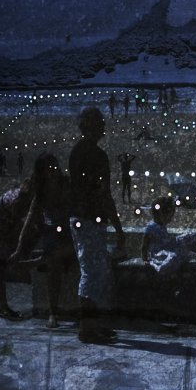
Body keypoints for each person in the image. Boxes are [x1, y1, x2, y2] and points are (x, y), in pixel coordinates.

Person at [68, 106, 126, 344]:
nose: (104, 126)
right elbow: (104, 194)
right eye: (100, 122)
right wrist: (118, 226)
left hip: (79, 218)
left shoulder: (76, 152)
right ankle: (87, 329)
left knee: (92, 272)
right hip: (90, 220)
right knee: (92, 275)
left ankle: (92, 325)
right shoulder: (98, 156)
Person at [10, 153, 76, 329]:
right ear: (43, 172)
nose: (54, 171)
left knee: (64, 250)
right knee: (54, 266)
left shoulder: (67, 185)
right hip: (53, 234)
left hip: (71, 232)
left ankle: (37, 261)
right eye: (50, 168)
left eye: (55, 166)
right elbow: (29, 222)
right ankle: (53, 313)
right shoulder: (41, 194)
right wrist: (19, 249)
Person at [0, 176, 35, 319]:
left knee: (1, 268)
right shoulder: (17, 201)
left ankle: (3, 305)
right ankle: (3, 306)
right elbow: (15, 225)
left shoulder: (20, 197)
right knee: (1, 267)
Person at [143, 195, 196, 279]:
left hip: (166, 249)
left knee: (187, 238)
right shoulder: (151, 227)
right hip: (162, 256)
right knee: (184, 242)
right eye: (169, 216)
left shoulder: (160, 225)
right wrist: (145, 259)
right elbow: (145, 245)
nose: (171, 219)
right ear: (161, 214)